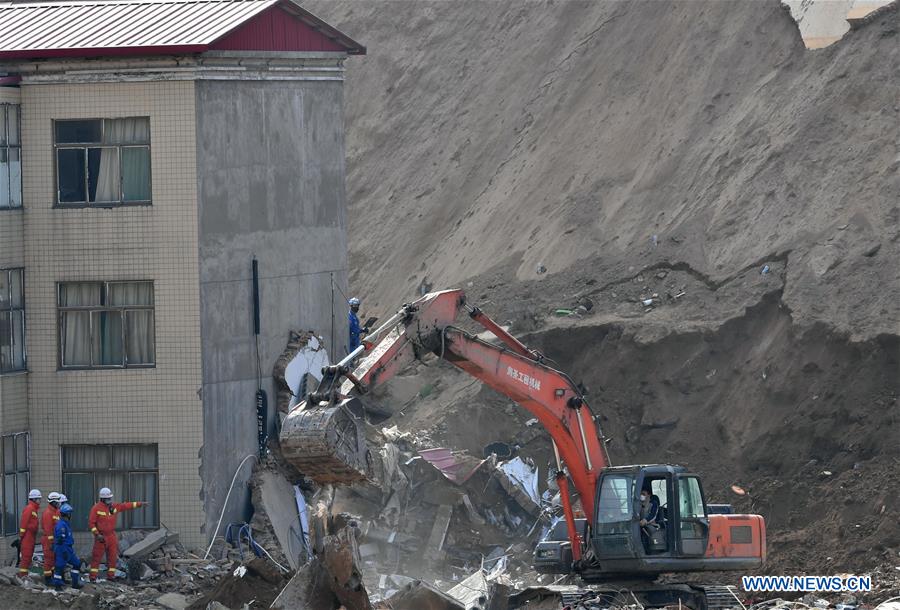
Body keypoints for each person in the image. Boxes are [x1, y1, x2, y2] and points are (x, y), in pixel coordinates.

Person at [88, 487, 149, 582]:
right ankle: (93, 577)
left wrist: (140, 504)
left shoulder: (114, 507)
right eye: (108, 498)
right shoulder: (96, 508)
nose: (109, 500)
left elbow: (126, 506)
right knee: (96, 557)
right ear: (102, 499)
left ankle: (111, 576)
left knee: (112, 557)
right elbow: (91, 523)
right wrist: (97, 534)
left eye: (110, 498)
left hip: (111, 536)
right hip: (101, 537)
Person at [51, 503, 82, 590]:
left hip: (68, 549)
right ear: (67, 514)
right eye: (70, 513)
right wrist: (64, 551)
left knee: (77, 563)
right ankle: (57, 586)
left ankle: (75, 583)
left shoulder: (65, 524)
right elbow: (60, 540)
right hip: (62, 549)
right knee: (59, 567)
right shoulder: (61, 525)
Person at [17, 489, 41, 580]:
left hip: (30, 536)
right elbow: (24, 523)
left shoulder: (33, 509)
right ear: (34, 499)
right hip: (27, 536)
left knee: (29, 556)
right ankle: (23, 576)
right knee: (26, 556)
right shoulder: (29, 509)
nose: (40, 500)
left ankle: (25, 575)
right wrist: (22, 535)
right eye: (38, 499)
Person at [41, 492, 63, 584]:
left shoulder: (56, 512)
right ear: (53, 502)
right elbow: (48, 529)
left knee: (53, 559)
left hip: (54, 540)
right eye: (58, 502)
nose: (59, 503)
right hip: (48, 540)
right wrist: (51, 542)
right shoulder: (48, 513)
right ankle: (48, 579)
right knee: (49, 560)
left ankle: (53, 577)